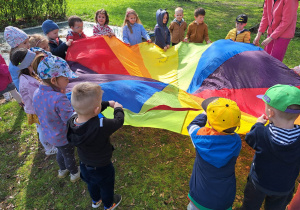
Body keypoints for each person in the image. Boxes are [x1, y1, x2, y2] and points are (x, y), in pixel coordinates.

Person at [241, 84, 300, 210]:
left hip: (258, 184)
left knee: (249, 207)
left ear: (270, 113)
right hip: (284, 187)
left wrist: (258, 125)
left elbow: (249, 138)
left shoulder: (260, 133)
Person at [67, 82, 124, 209]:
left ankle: (96, 200)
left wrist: (107, 103)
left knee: (91, 183)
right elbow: (118, 121)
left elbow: (91, 110)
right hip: (102, 166)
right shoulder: (101, 125)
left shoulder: (72, 121)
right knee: (106, 185)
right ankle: (109, 204)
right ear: (97, 110)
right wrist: (118, 108)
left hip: (84, 163)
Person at [187, 97, 242, 210]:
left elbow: (192, 126)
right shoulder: (236, 142)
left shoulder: (199, 137)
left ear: (209, 121)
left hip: (199, 197)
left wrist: (205, 113)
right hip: (224, 198)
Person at [33, 55, 80, 182]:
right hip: (63, 135)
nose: (68, 81)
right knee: (68, 155)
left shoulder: (37, 93)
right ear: (54, 80)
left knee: (61, 152)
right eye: (65, 78)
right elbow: (70, 119)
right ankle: (74, 173)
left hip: (50, 133)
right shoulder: (59, 99)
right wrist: (80, 112)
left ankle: (62, 170)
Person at [10, 48, 57, 156]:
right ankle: (49, 148)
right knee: (43, 129)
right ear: (27, 63)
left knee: (43, 127)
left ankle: (50, 145)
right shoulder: (27, 82)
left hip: (37, 108)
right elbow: (36, 97)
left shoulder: (30, 73)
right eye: (33, 59)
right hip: (37, 110)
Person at [4, 26, 30, 91]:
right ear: (16, 46)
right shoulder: (15, 63)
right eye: (25, 43)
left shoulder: (26, 54)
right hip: (27, 91)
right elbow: (19, 82)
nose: (28, 45)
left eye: (28, 42)